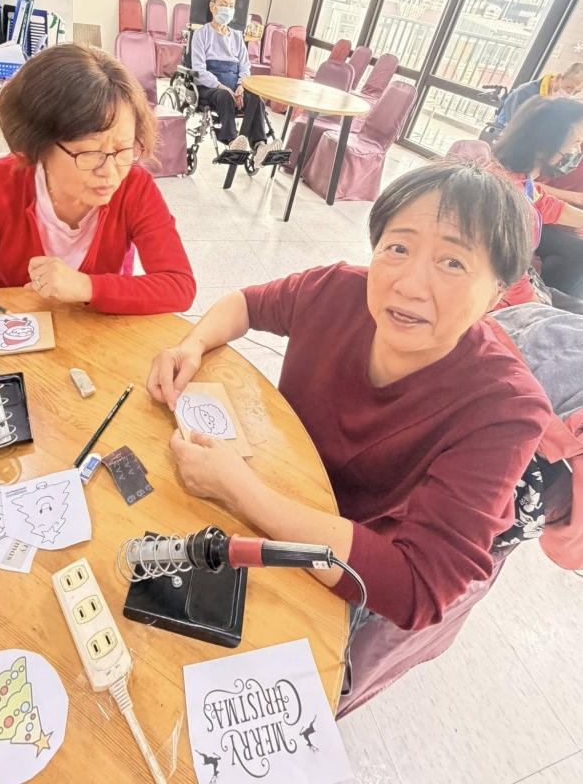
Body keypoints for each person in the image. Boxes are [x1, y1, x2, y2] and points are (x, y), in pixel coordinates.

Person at [147, 160, 551, 712]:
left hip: (341, 552)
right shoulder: (338, 291)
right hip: (275, 481)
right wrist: (191, 345)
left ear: (499, 291)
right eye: (397, 248)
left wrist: (240, 490)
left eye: (453, 262)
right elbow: (247, 304)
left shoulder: (504, 407)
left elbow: (416, 588)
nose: (409, 284)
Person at [0, 43, 196, 320]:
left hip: (99, 332)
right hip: (11, 328)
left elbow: (178, 286)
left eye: (124, 149)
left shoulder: (135, 187)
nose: (110, 171)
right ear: (37, 146)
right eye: (90, 154)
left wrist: (85, 286)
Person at [493, 96, 583, 300]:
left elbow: (549, 205)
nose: (577, 153)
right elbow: (507, 277)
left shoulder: (519, 179)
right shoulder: (507, 198)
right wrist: (541, 309)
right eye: (575, 144)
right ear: (545, 145)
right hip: (503, 299)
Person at [190, 0, 280, 162]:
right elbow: (199, 69)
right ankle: (232, 142)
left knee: (255, 99)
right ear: (213, 7)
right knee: (224, 96)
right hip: (211, 88)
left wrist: (240, 87)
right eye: (224, 4)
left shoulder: (237, 37)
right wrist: (222, 87)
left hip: (235, 87)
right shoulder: (201, 34)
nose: (228, 9)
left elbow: (245, 67)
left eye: (231, 6)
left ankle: (260, 146)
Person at [496, 62, 583, 128]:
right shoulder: (526, 92)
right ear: (558, 78)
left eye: (576, 92)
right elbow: (513, 126)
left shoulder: (559, 102)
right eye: (569, 87)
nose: (569, 94)